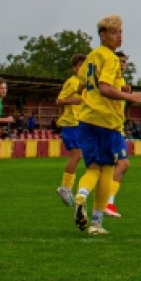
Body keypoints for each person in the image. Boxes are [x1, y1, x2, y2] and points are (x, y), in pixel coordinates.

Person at [72, 17, 141, 235]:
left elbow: (80, 86)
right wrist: (130, 96)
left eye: (121, 32)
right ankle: (96, 222)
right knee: (108, 170)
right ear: (103, 35)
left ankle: (81, 195)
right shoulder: (110, 58)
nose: (119, 36)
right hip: (106, 122)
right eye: (114, 32)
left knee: (92, 168)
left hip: (86, 119)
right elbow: (104, 88)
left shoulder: (91, 57)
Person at [55, 53, 87, 207]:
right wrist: (75, 100)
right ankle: (65, 187)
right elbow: (59, 100)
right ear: (75, 68)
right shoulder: (72, 82)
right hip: (70, 123)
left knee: (79, 156)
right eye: (81, 65)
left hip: (79, 123)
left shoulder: (84, 83)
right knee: (76, 155)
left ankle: (67, 187)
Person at [105, 52, 132, 217]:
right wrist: (127, 94)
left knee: (109, 168)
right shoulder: (110, 80)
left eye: (124, 62)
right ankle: (107, 202)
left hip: (117, 128)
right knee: (122, 165)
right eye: (119, 61)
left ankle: (104, 205)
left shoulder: (121, 82)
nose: (122, 64)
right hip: (109, 128)